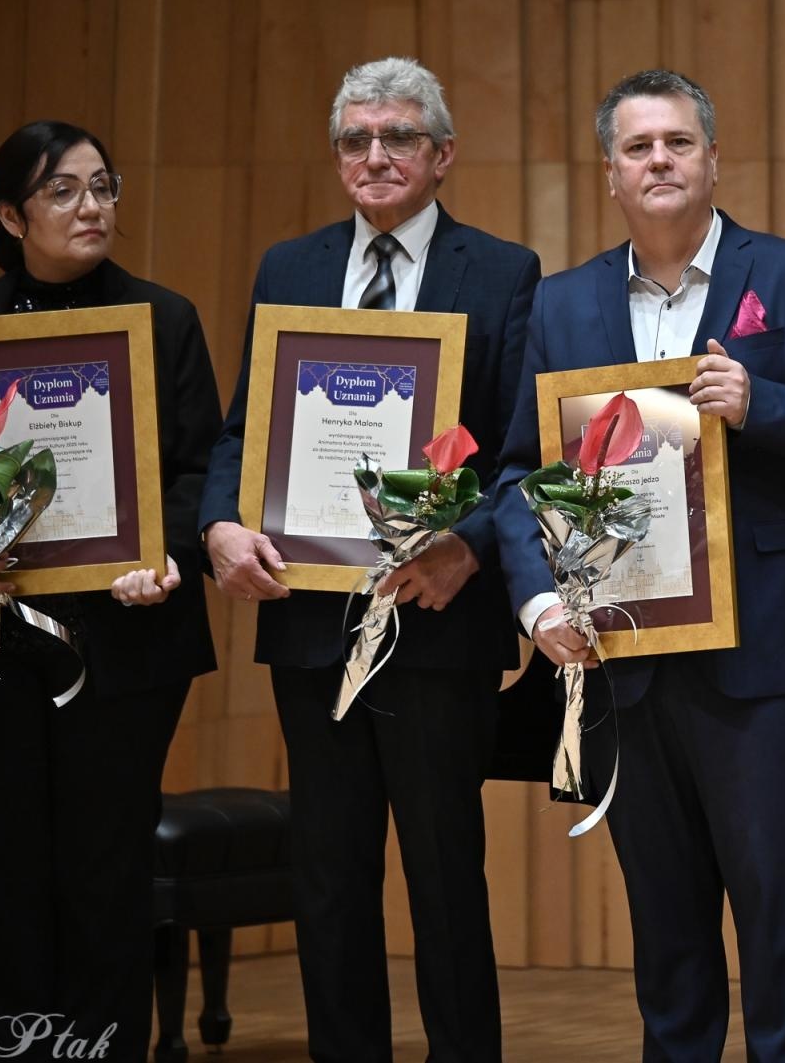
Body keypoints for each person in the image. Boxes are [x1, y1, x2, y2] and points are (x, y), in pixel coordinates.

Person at [494, 69, 785, 1061]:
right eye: (639, 148)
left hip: (764, 658)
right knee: (666, 934)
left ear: (713, 161)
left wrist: (767, 405)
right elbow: (515, 474)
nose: (659, 160)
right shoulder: (562, 303)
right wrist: (539, 597)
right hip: (624, 657)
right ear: (611, 174)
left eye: (677, 142)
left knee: (783, 924)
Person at [197, 57, 538, 1063]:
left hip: (436, 621)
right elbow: (238, 433)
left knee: (443, 876)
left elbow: (521, 453)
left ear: (442, 157)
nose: (375, 156)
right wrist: (221, 526)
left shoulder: (504, 272)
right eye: (356, 139)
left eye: (397, 138)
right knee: (329, 878)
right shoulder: (287, 269)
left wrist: (468, 553)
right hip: (312, 621)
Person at [0, 120, 221, 1061]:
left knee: (106, 882)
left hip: (123, 646)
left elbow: (197, 475)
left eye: (103, 186)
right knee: (2, 879)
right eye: (63, 190)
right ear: (8, 213)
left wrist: (171, 554)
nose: (92, 206)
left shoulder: (165, 319)